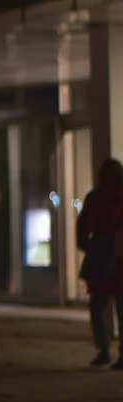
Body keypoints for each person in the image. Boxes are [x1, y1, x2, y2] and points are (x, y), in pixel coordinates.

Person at [76, 157, 123, 367]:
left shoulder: (96, 197)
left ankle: (103, 348)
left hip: (101, 256)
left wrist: (90, 248)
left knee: (98, 305)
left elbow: (84, 227)